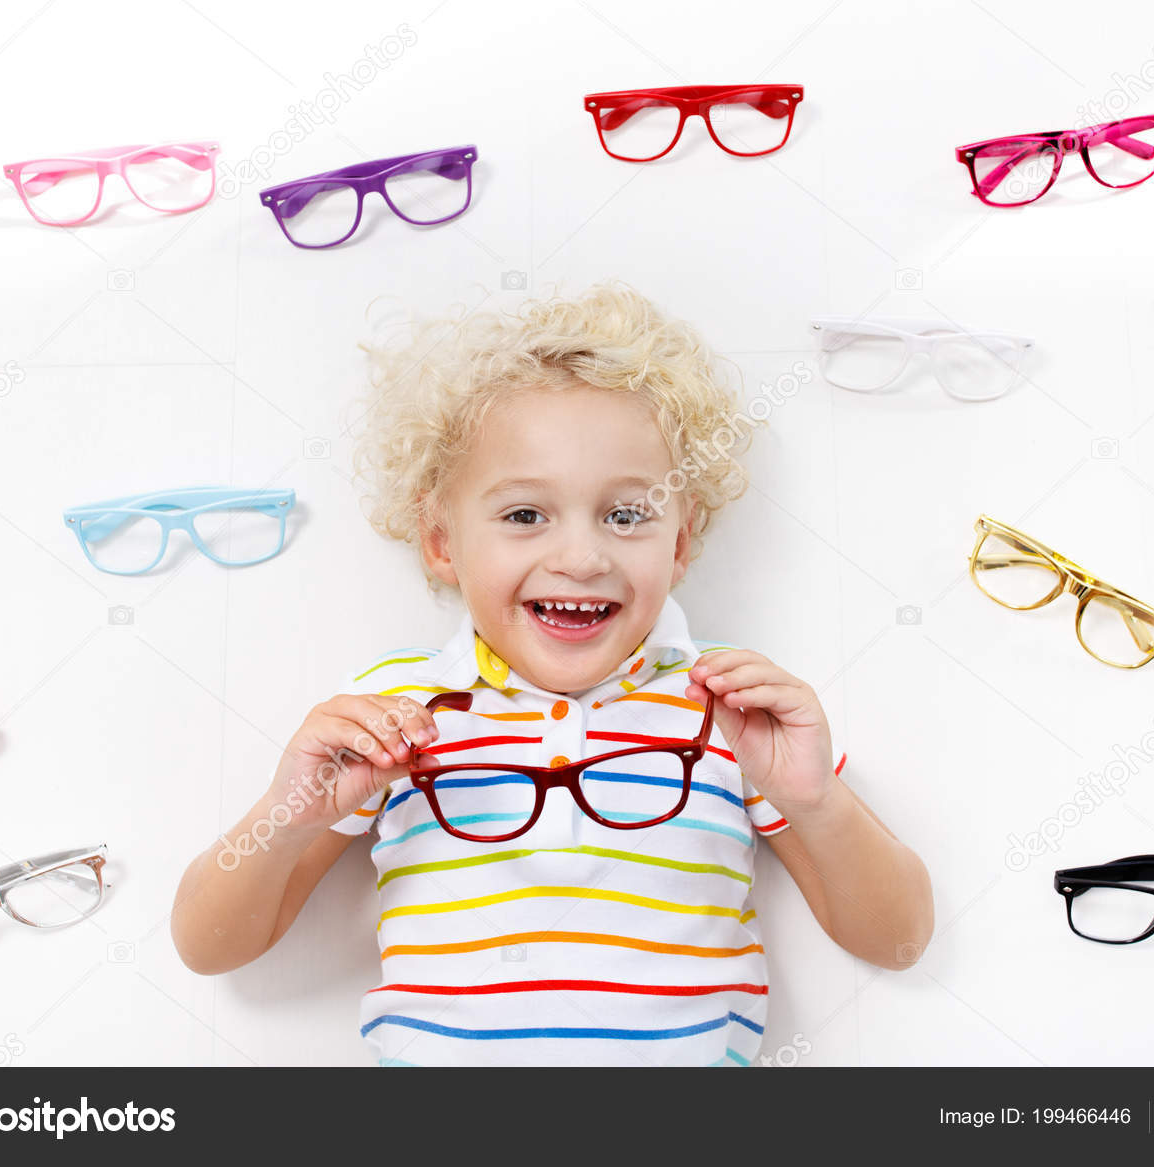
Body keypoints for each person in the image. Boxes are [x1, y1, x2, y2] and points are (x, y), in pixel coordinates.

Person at [172, 282, 933, 1065]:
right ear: (441, 541)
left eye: (626, 515)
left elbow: (901, 939)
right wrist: (285, 817)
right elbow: (207, 944)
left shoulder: (730, 709)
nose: (581, 556)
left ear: (679, 544)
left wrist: (817, 802)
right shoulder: (394, 712)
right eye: (524, 515)